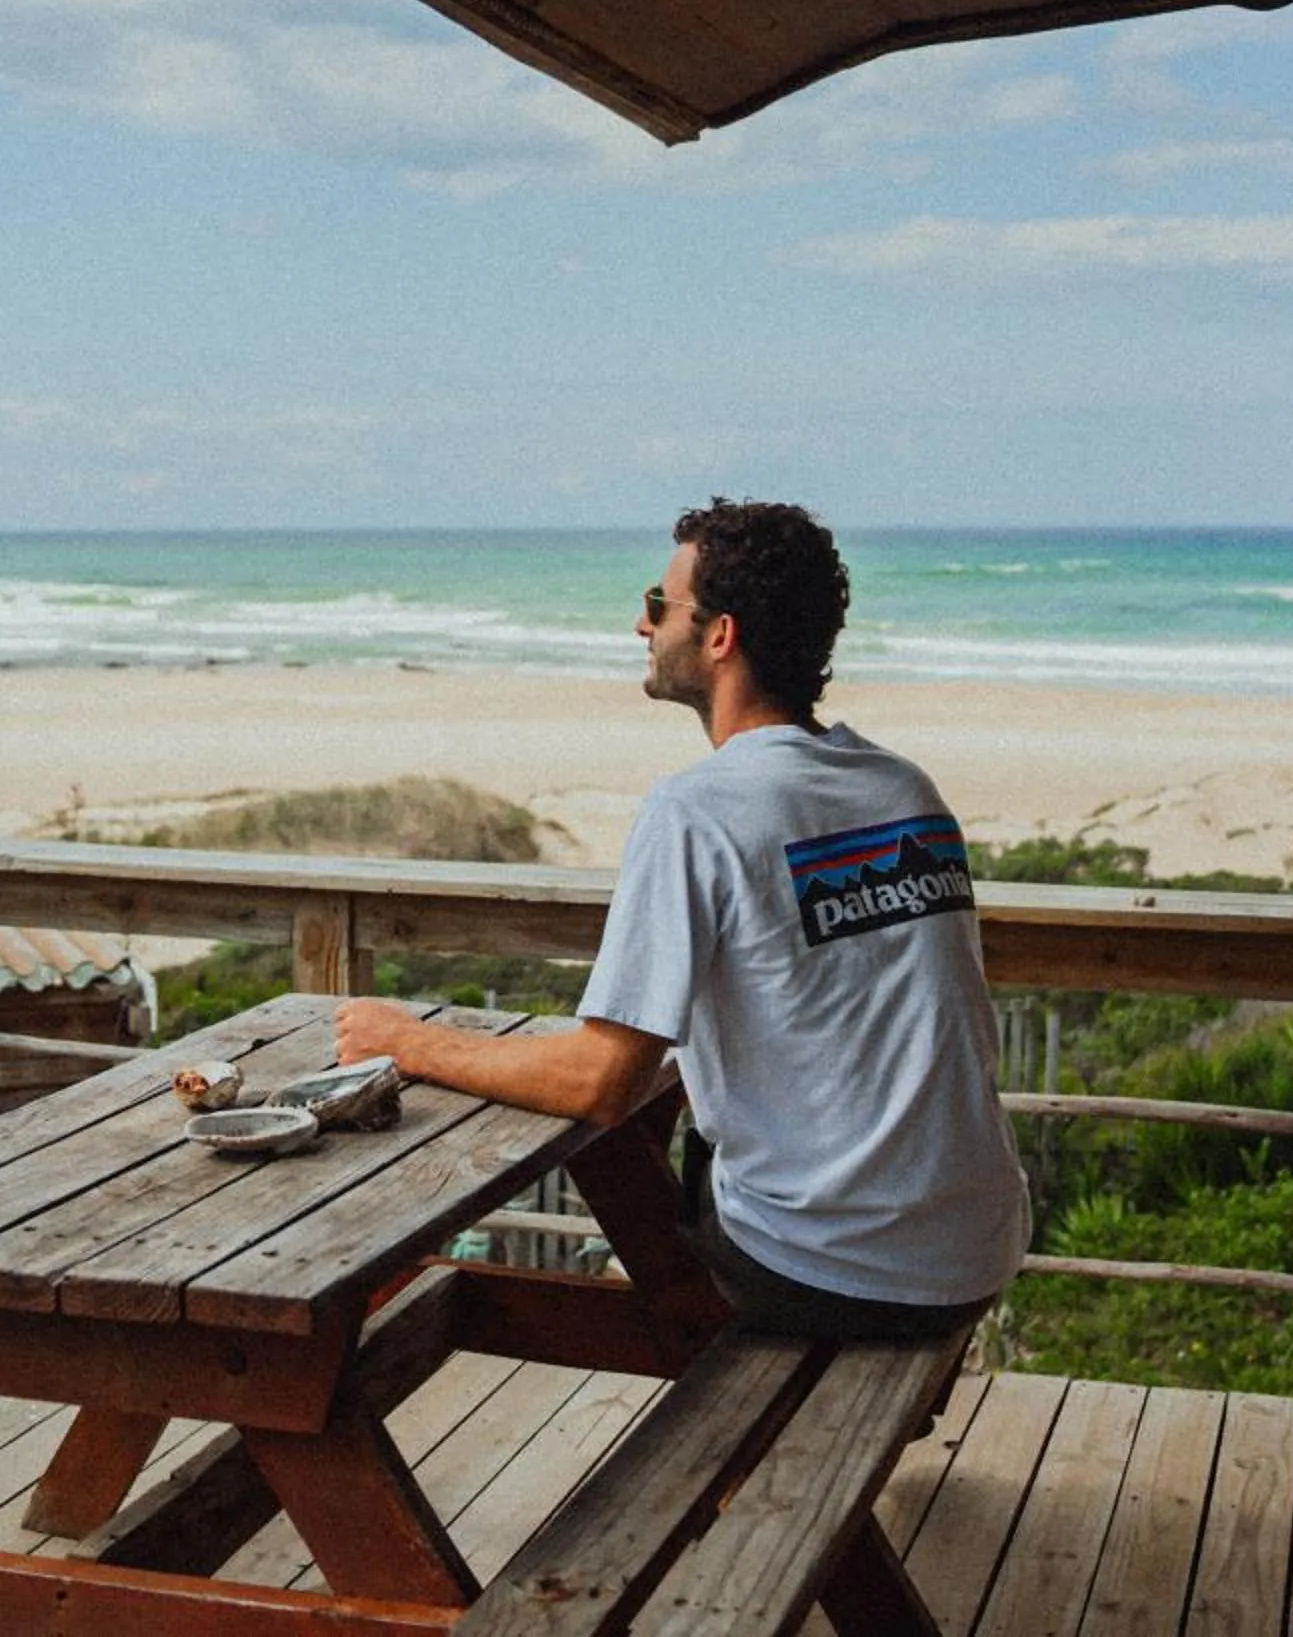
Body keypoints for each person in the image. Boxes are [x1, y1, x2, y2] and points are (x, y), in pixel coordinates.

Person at [335, 499, 1027, 1340]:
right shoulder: (902, 790)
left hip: (842, 1271)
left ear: (720, 636)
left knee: (582, 1273)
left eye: (660, 606)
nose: (641, 623)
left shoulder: (697, 811)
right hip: (974, 1250)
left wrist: (404, 1041)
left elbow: (600, 1083)